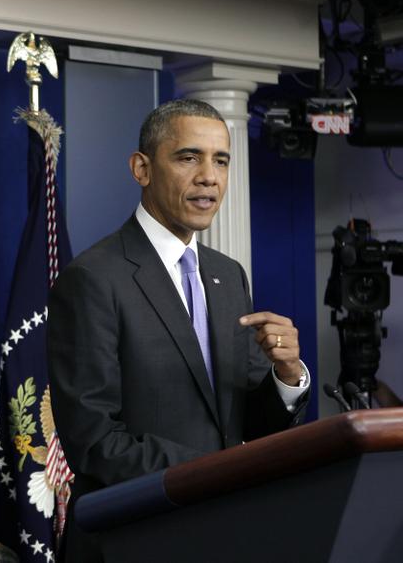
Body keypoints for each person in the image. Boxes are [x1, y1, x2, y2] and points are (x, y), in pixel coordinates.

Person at [47, 99, 310, 562]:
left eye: (221, 161)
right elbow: (94, 440)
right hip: (135, 542)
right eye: (189, 157)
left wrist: (286, 376)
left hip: (221, 535)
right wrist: (218, 472)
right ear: (142, 169)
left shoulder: (227, 275)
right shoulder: (93, 278)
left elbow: (246, 419)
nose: (209, 176)